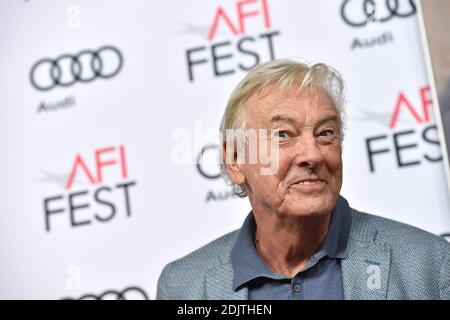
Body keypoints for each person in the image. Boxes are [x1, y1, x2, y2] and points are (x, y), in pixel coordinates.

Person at [157, 58, 450, 300]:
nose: (313, 154)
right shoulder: (184, 288)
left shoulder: (431, 265)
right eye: (283, 134)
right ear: (235, 160)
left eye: (325, 133)